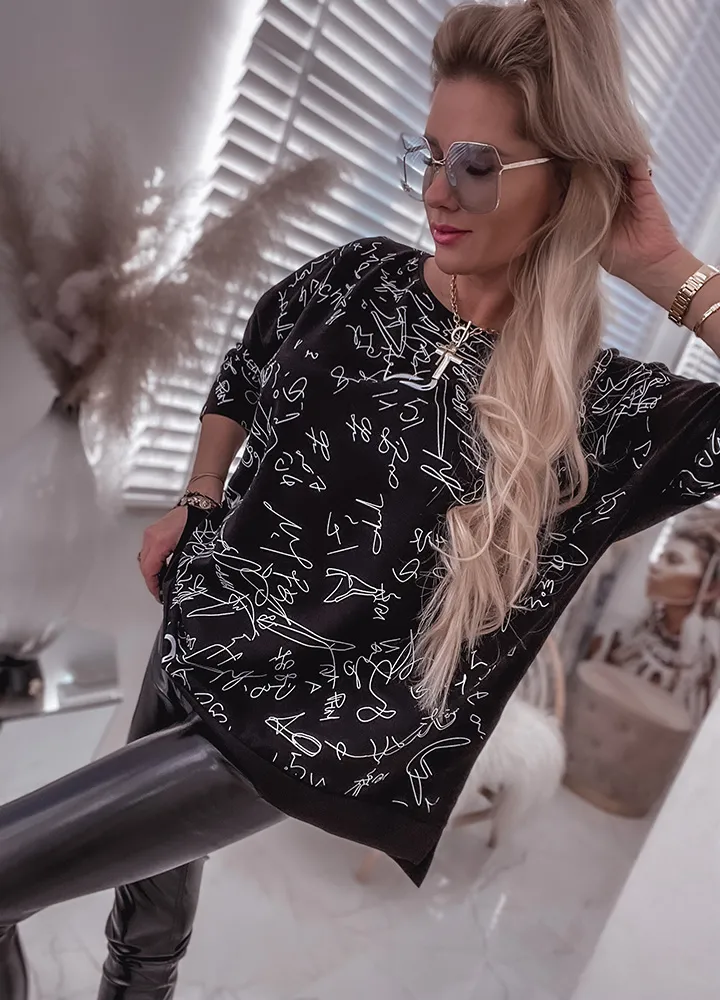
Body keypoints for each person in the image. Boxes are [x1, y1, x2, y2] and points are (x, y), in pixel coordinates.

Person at [2, 0, 720, 997]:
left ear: (562, 181)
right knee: (147, 931)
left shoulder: (596, 411)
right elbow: (245, 367)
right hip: (199, 628)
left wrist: (668, 271)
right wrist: (197, 497)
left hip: (308, 727)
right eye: (428, 155)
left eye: (476, 165)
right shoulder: (356, 278)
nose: (437, 191)